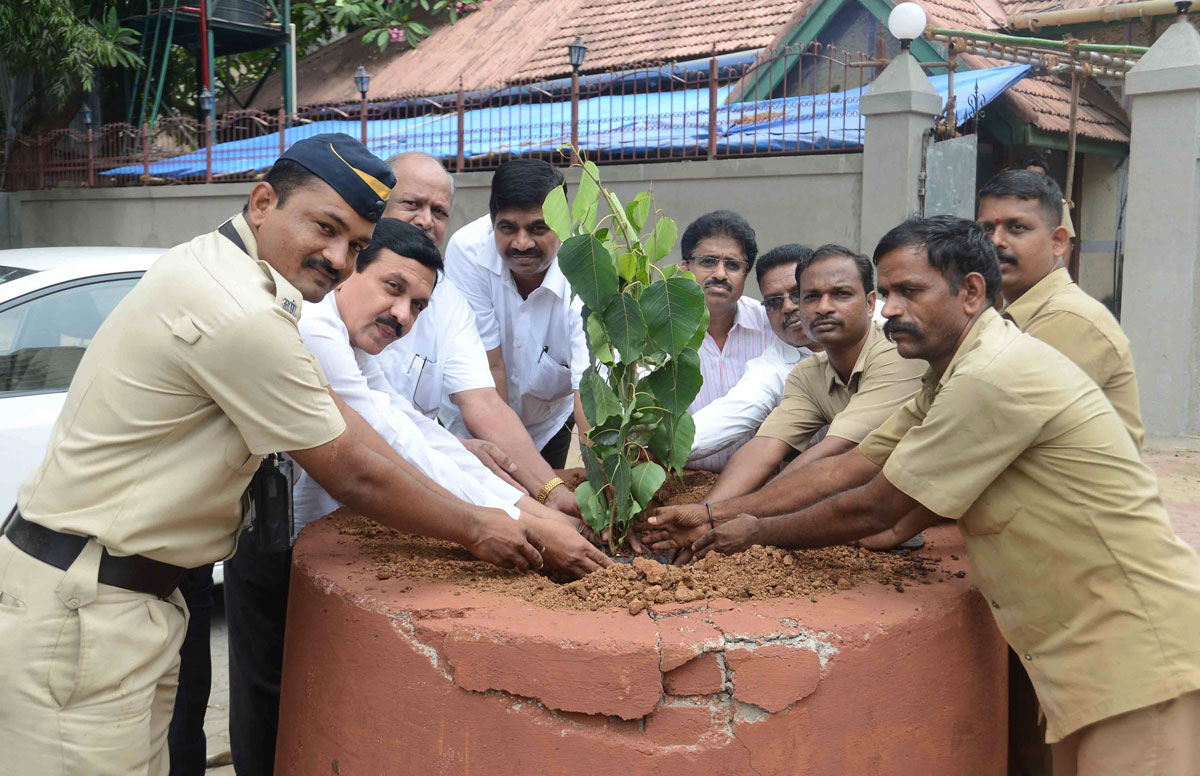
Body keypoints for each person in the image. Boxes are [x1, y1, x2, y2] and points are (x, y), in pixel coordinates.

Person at [0, 133, 545, 775]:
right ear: (262, 202)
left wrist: (523, 501)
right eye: (325, 227)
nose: (338, 258)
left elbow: (385, 425)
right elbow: (355, 466)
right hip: (87, 614)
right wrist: (484, 527)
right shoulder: (244, 315)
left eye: (356, 244)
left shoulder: (226, 271)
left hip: (124, 601)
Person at [675, 215, 1200, 776]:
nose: (892, 310)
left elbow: (878, 505)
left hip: (1134, 655)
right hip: (1083, 660)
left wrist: (754, 534)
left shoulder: (991, 375)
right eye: (890, 294)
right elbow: (852, 463)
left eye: (910, 291)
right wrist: (714, 512)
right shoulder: (948, 375)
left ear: (971, 292)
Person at [644, 244, 926, 553]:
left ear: (871, 303)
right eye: (811, 297)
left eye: (841, 295)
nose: (823, 308)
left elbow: (836, 459)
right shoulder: (806, 372)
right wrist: (704, 516)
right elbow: (764, 447)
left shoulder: (896, 350)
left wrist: (719, 517)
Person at [376, 152, 581, 516]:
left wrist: (551, 491)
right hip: (417, 450)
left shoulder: (448, 302)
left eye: (439, 212)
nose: (424, 221)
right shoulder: (336, 286)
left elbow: (483, 400)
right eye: (410, 204)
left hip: (534, 421)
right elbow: (491, 370)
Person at [442, 159, 589, 473]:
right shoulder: (468, 251)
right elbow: (488, 362)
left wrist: (604, 488)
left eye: (538, 228)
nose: (522, 244)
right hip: (477, 412)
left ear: (562, 225)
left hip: (549, 419)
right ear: (492, 221)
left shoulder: (587, 268)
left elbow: (588, 389)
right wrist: (516, 466)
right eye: (508, 228)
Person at [978, 169, 1143, 449]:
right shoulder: (1007, 314)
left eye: (1017, 227)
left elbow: (989, 428)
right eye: (987, 230)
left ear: (1058, 242)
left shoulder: (1071, 319)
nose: (996, 241)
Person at [687, 244, 815, 468]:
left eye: (798, 294)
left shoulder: (880, 332)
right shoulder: (775, 364)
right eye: (774, 301)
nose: (788, 307)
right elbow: (733, 414)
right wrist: (647, 452)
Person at [680, 210, 776, 471]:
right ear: (685, 267)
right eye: (708, 262)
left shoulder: (771, 327)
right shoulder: (656, 334)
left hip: (760, 484)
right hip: (680, 483)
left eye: (733, 265)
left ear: (745, 274)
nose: (720, 274)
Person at [1017, 155, 1075, 240]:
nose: (1032, 179)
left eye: (1037, 175)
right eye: (1029, 175)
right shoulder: (1016, 201)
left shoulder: (1059, 204)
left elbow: (1067, 238)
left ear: (1045, 178)